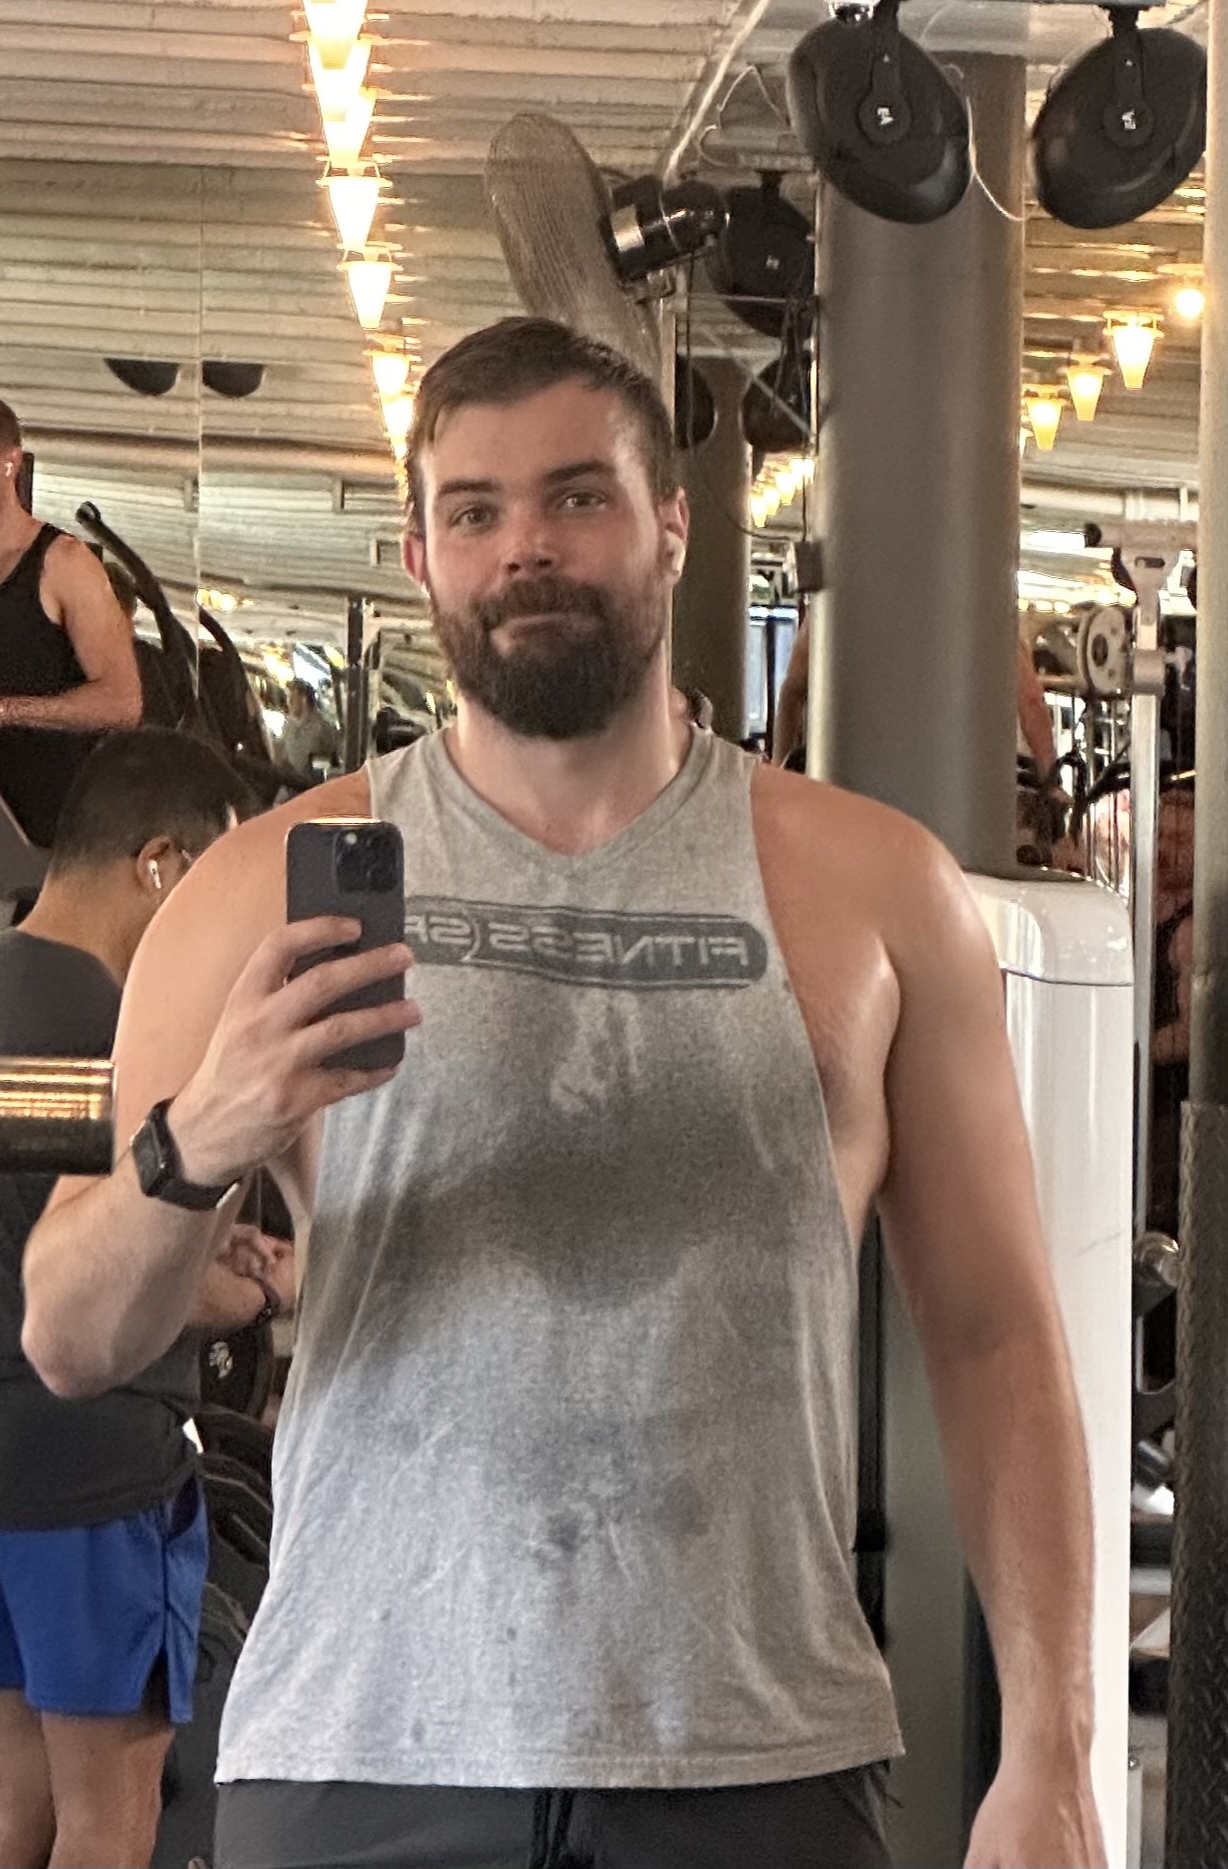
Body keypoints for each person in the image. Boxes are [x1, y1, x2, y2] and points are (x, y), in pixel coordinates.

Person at [23, 319, 1103, 1869]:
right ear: (421, 557)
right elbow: (70, 1336)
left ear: (671, 524)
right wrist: (205, 1136)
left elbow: (996, 1332)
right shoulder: (256, 888)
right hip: (362, 1752)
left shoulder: (876, 891)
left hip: (755, 1758)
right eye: (475, 510)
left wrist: (1054, 1747)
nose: (525, 545)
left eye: (577, 496)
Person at [0, 728, 292, 1869]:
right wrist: (263, 1288)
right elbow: (148, 1285)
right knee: (109, 1825)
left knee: (15, 1807)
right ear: (162, 864)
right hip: (96, 1475)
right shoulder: (128, 1035)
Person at [0, 401, 142, 846]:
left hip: (41, 836)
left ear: (10, 463)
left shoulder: (63, 563)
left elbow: (122, 701)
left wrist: (8, 711)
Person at [277, 679, 340, 777]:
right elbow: (283, 755)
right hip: (290, 782)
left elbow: (333, 761)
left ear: (304, 699)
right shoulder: (288, 726)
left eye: (292, 698)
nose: (289, 703)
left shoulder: (322, 728)